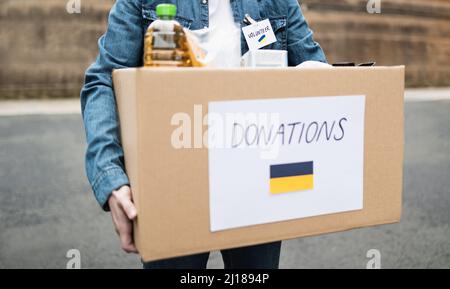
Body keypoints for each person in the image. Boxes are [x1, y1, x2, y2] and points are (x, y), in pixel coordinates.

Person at [80, 0, 326, 269]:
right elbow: (103, 80)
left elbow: (318, 76)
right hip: (171, 182)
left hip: (255, 186)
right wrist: (111, 178)